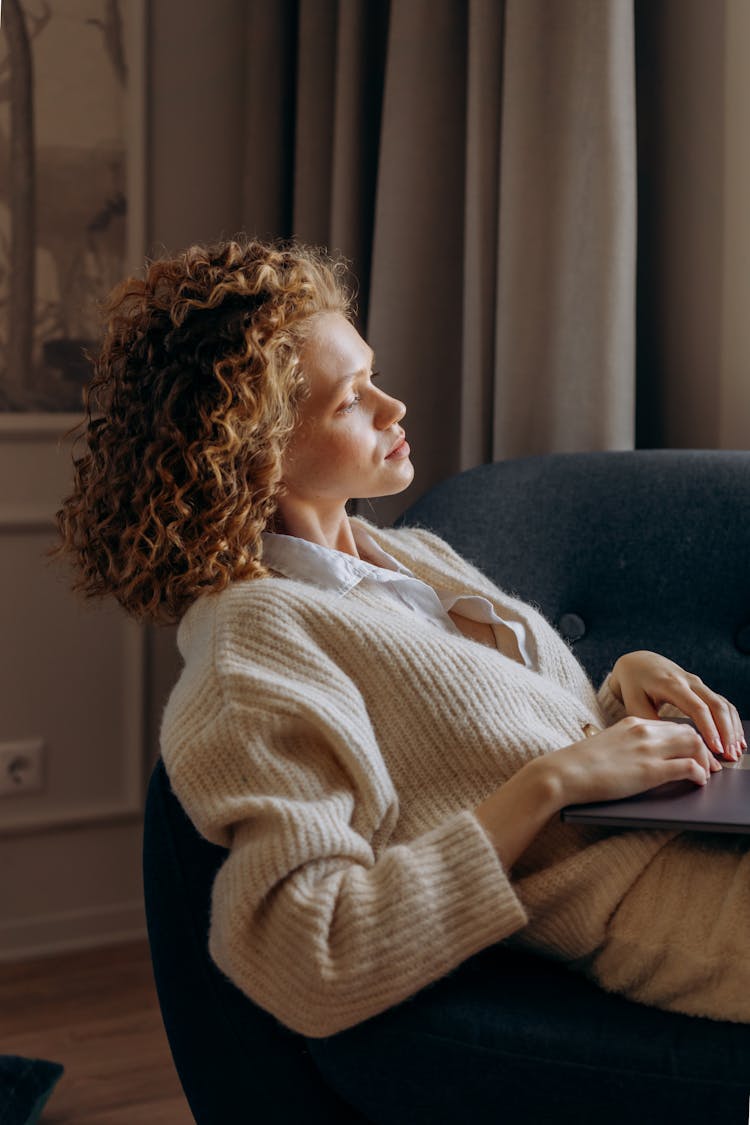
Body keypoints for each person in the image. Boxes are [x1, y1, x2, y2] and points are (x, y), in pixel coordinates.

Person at [54, 237, 749, 1047]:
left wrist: (617, 689)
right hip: (670, 906)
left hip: (697, 833)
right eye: (350, 400)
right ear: (254, 452)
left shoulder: (408, 556)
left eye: (372, 376)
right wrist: (549, 784)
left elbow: (461, 749)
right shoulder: (254, 644)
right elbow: (307, 954)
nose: (393, 408)